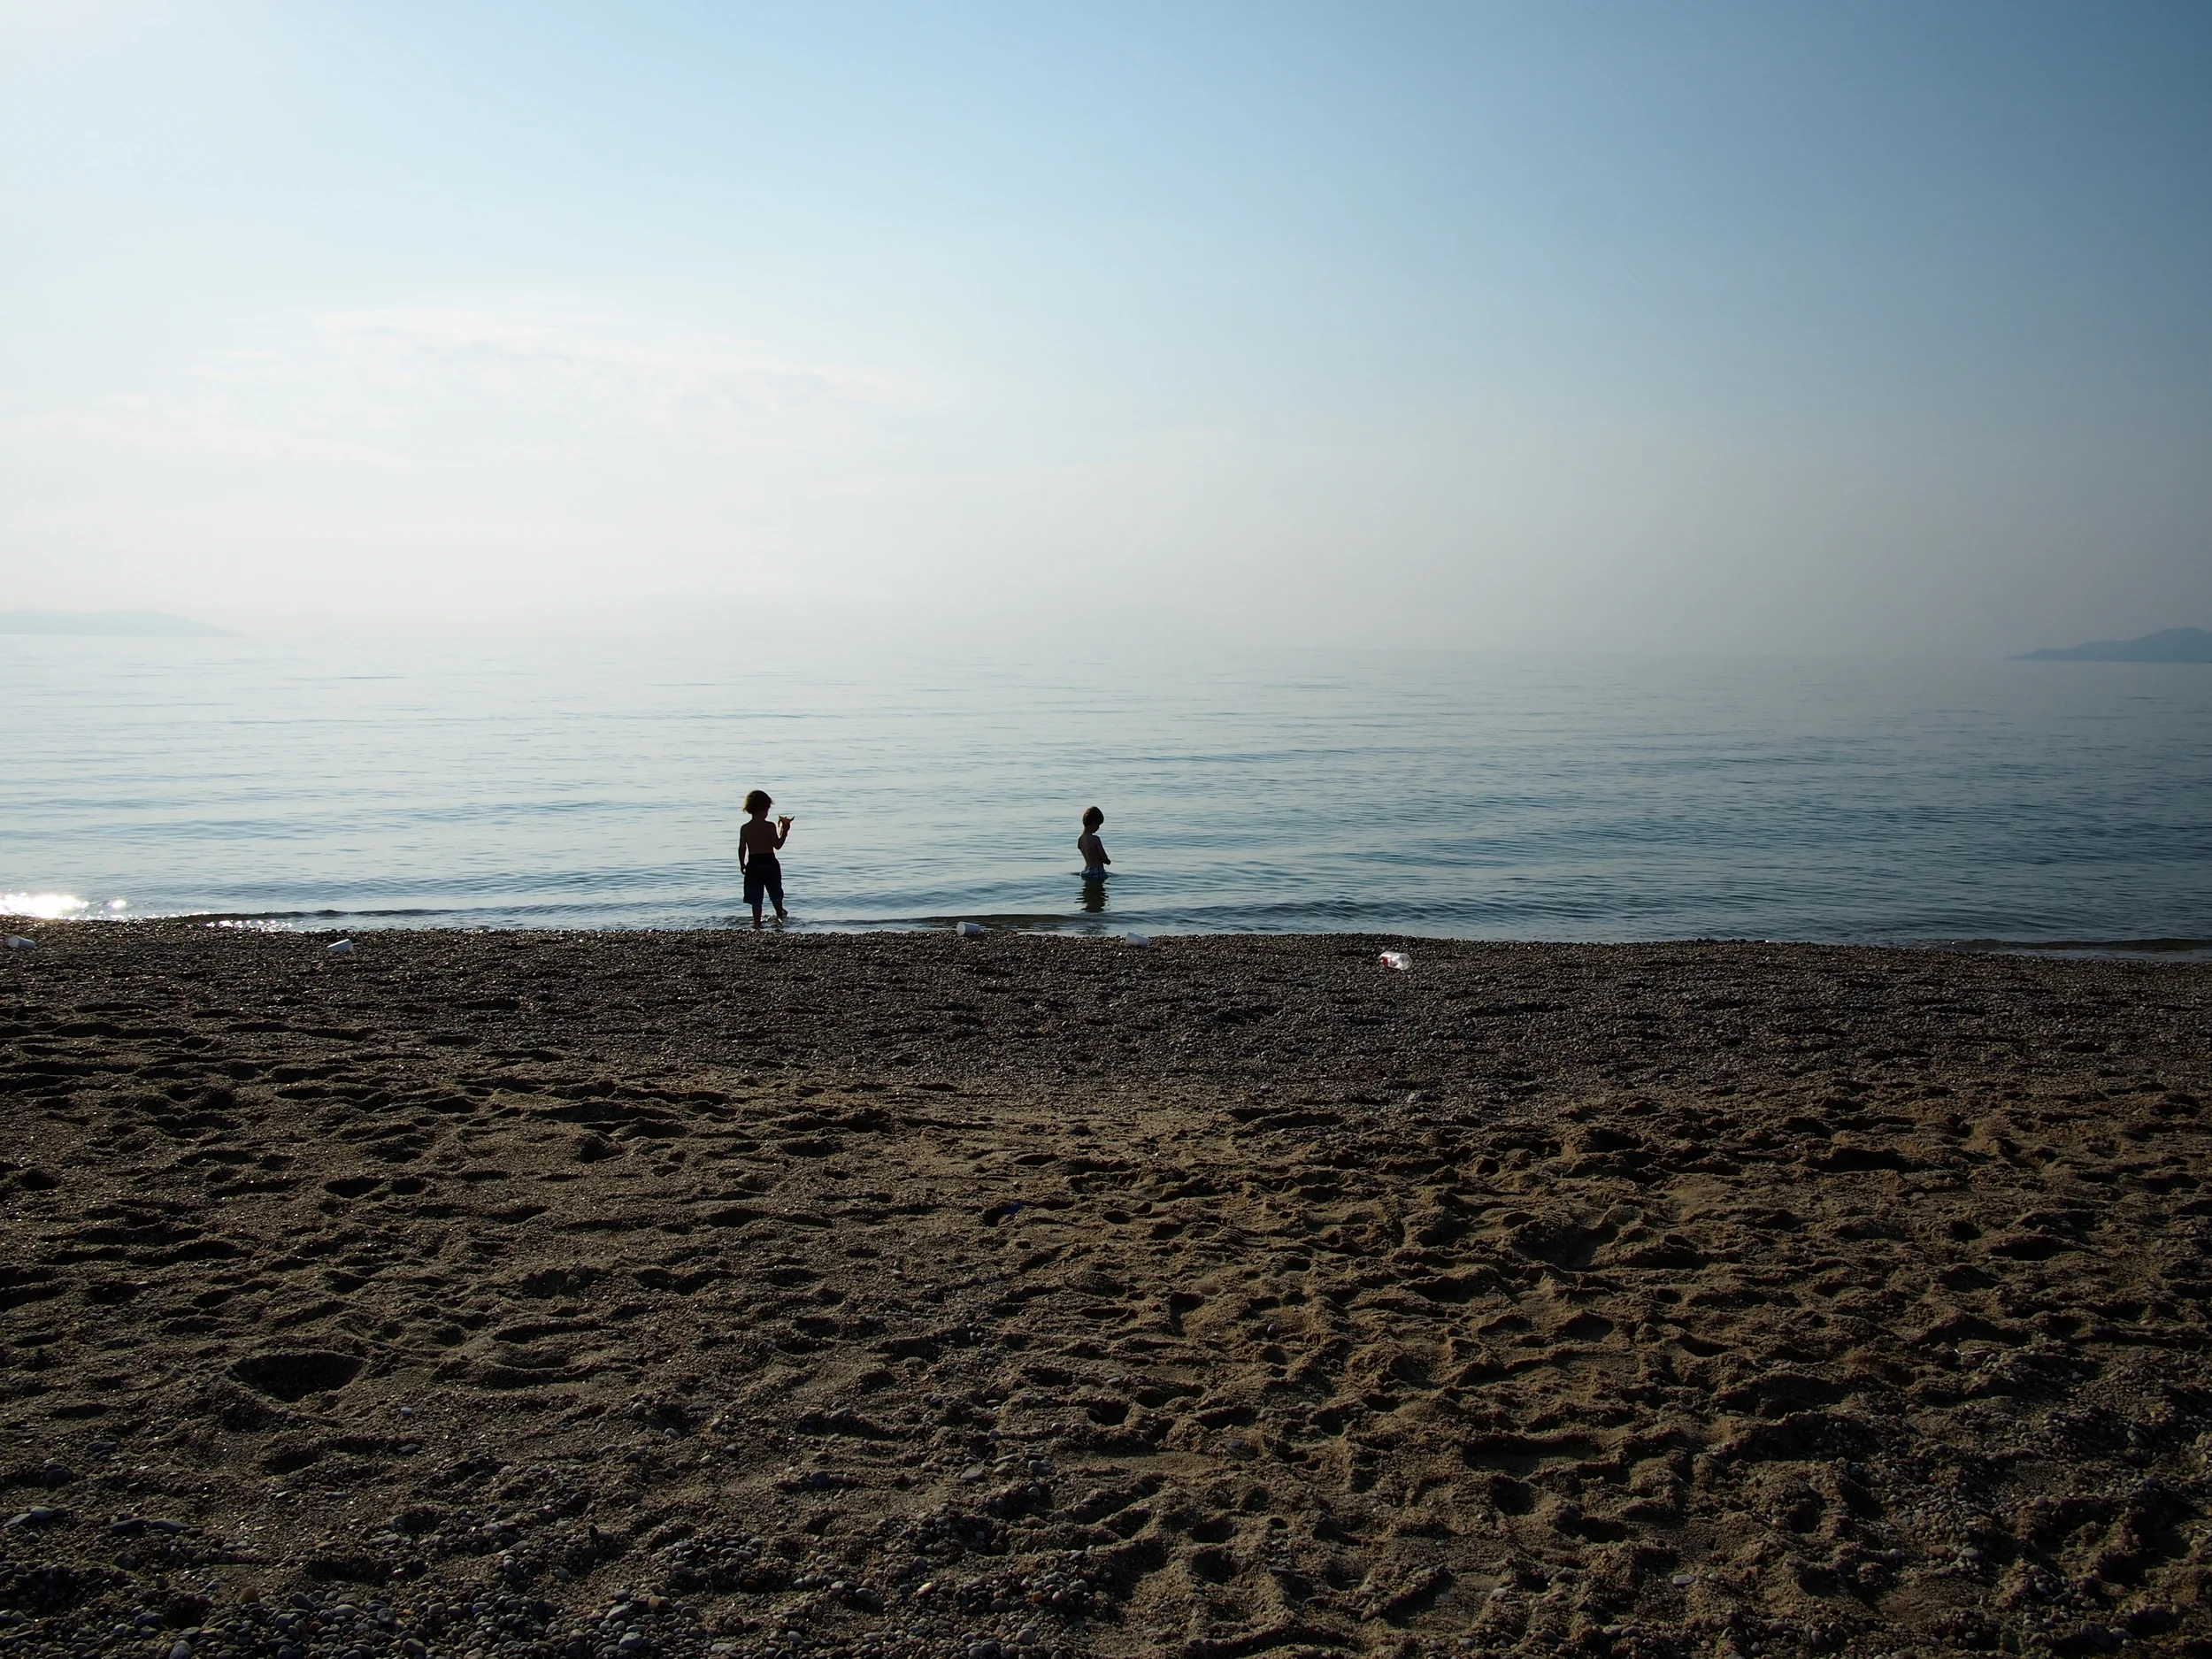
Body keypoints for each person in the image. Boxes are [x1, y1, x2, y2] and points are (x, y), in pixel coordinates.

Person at [740, 789, 794, 927]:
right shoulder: (769, 826)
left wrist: (742, 864)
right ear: (765, 808)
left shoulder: (745, 828)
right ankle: (779, 915)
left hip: (753, 864)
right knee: (775, 892)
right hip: (770, 862)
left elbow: (742, 848)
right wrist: (785, 831)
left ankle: (757, 922)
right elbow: (777, 845)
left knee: (756, 897)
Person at [1078, 805, 1110, 882]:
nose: (1098, 828)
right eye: (1098, 825)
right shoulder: (1095, 839)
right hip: (1097, 871)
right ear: (1094, 823)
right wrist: (1107, 861)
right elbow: (1103, 856)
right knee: (1099, 892)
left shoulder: (1080, 839)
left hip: (1086, 870)